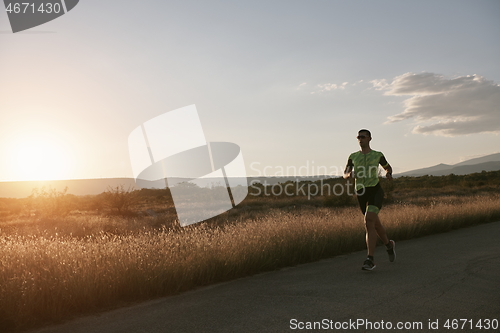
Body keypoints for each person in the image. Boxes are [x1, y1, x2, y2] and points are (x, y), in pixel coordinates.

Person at [343, 129, 396, 270]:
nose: (360, 139)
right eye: (358, 137)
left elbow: (387, 167)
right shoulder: (353, 156)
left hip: (375, 190)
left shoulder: (377, 155)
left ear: (369, 139)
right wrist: (350, 175)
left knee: (368, 221)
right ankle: (389, 245)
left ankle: (370, 259)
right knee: (375, 225)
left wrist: (388, 174)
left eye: (363, 137)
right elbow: (345, 173)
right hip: (361, 192)